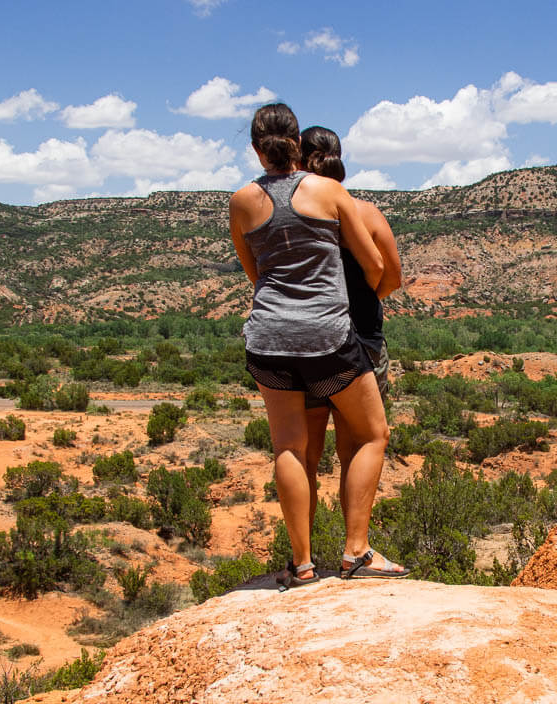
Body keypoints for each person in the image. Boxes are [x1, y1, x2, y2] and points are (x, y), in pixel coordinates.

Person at [229, 104, 405, 587]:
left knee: (290, 448)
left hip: (267, 338)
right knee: (372, 435)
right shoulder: (328, 191)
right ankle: (356, 552)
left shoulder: (241, 200)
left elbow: (254, 273)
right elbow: (374, 265)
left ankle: (302, 564)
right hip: (327, 337)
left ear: (255, 147)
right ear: (296, 144)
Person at [299, 126, 407, 579]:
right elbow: (391, 277)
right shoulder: (364, 212)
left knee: (303, 451)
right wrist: (367, 296)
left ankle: (301, 560)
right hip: (359, 340)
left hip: (301, 345)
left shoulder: (294, 218)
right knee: (359, 446)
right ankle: (354, 550)